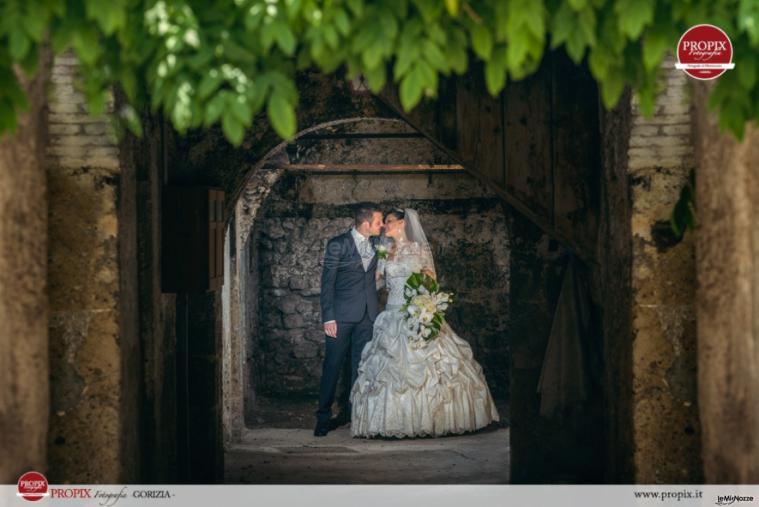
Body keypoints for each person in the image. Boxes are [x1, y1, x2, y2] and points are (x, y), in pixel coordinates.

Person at [350, 208, 500, 438]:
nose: (384, 226)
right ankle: (390, 422)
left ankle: (434, 419)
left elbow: (432, 281)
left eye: (388, 222)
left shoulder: (419, 250)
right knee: (386, 370)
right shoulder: (385, 252)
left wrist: (423, 307)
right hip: (391, 315)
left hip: (415, 313)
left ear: (402, 223)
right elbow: (376, 284)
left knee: (433, 367)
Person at [315, 203, 384, 437]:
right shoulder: (338, 244)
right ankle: (322, 417)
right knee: (333, 366)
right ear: (366, 223)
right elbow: (327, 284)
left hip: (368, 316)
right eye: (378, 222)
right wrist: (328, 318)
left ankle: (356, 415)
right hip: (341, 318)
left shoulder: (378, 244)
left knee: (360, 367)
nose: (382, 225)